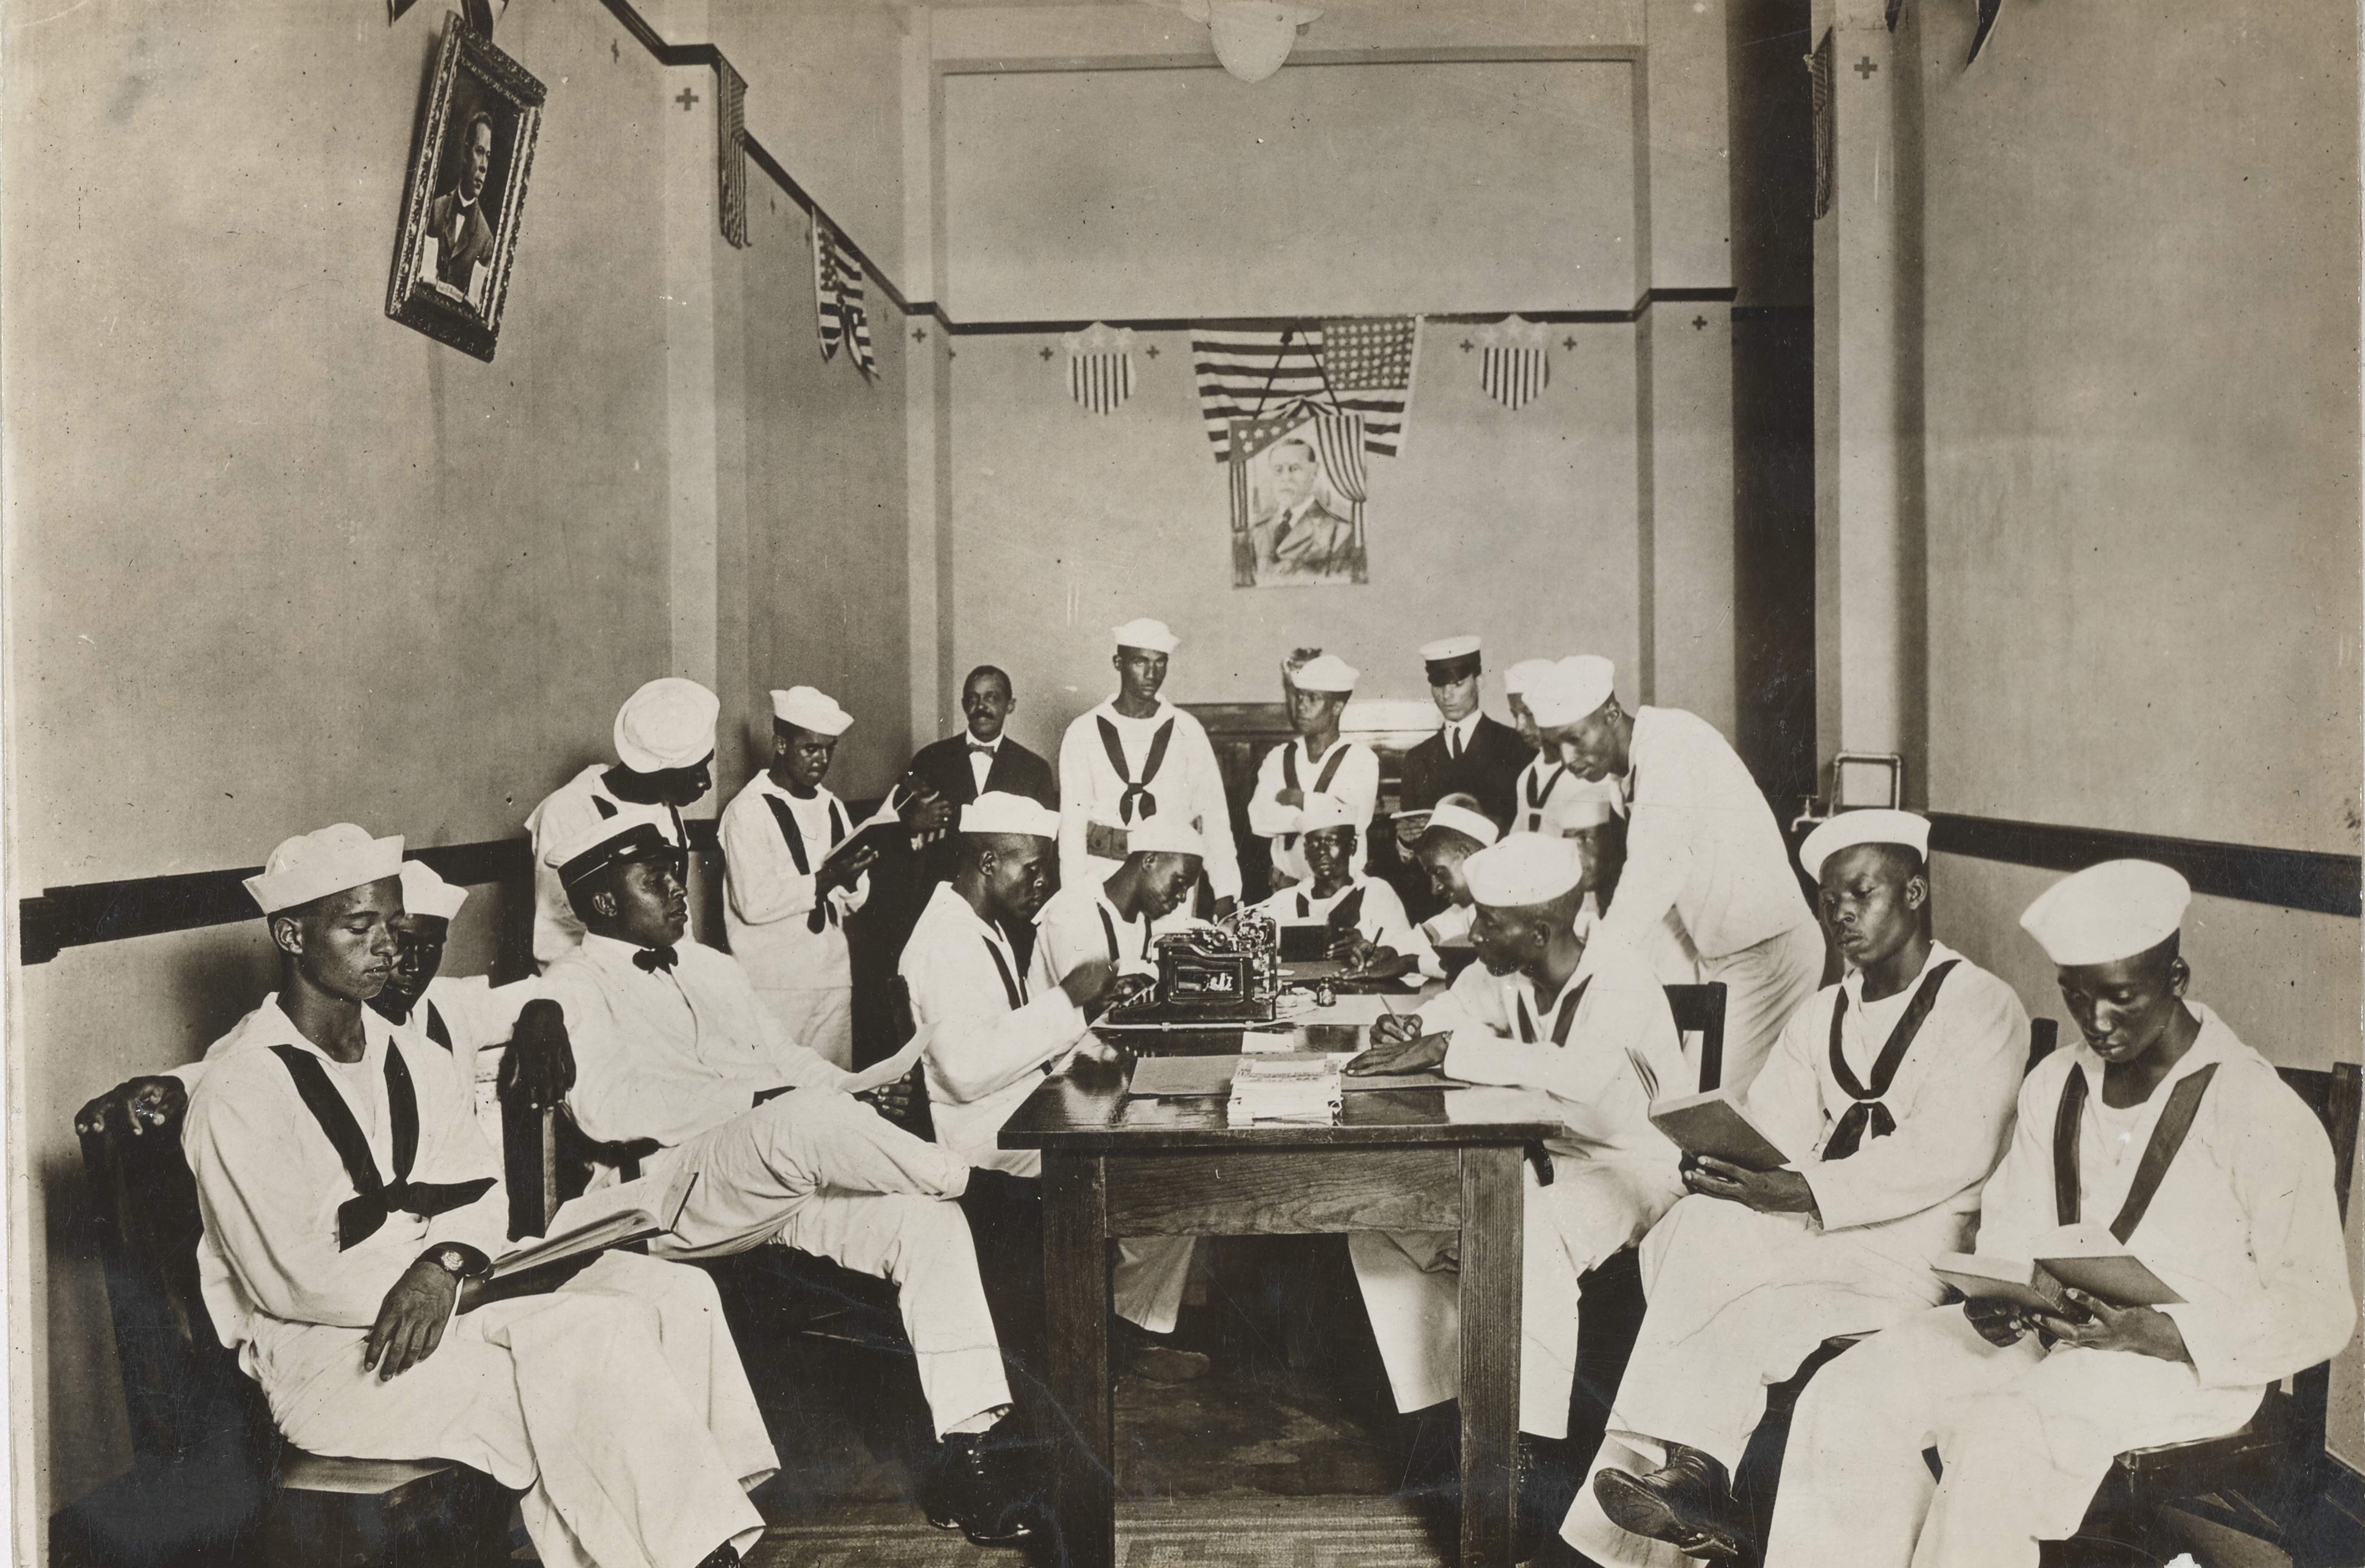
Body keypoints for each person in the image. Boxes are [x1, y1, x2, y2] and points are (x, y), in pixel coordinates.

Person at [181, 823, 775, 1568]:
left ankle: (701, 1535)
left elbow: (480, 1194)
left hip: (440, 1299)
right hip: (339, 1357)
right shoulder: (242, 1087)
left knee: (667, 1290)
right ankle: (698, 1551)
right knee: (587, 1344)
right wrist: (452, 1281)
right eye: (359, 926)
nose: (388, 947)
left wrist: (451, 1265)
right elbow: (293, 1275)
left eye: (393, 926)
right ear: (292, 933)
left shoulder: (411, 1057)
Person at [1762, 860, 2356, 1568]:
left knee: (2000, 1438)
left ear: (2177, 980)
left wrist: (2163, 1331)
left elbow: (2321, 1309)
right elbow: (2012, 1229)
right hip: (2057, 1334)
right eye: (2077, 998)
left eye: (2121, 999)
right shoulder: (2056, 1083)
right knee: (1850, 1394)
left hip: (2184, 1363)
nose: (2097, 1023)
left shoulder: (2257, 1107)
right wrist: (2001, 1297)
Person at [537, 804, 1050, 1546]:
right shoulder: (572, 985)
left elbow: (788, 1059)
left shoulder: (713, 966)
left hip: (779, 1178)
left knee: (924, 1223)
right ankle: (981, 1183)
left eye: (677, 872)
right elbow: (609, 1106)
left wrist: (856, 1086)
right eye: (658, 879)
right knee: (801, 1118)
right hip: (677, 1192)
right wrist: (759, 1101)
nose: (680, 889)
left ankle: (966, 1454)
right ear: (606, 902)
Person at [1569, 810, 2029, 1567]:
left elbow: (1947, 1153)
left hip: (1920, 1240)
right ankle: (1697, 1474)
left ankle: (1660, 1505)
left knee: (1751, 1303)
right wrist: (1723, 1160)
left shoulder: (1981, 1004)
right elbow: (1772, 1128)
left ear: (1914, 891)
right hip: (1821, 1227)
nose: (1841, 911)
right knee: (1692, 1232)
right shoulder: (1823, 1012)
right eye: (1828, 899)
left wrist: (1800, 1189)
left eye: (1862, 892)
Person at [1343, 834, 1690, 1547]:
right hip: (1545, 1159)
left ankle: (1525, 1457)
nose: (1473, 933)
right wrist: (1413, 1027)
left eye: (1487, 923)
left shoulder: (1622, 980)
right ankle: (1451, 1418)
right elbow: (1448, 1015)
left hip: (1635, 1168)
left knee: (1516, 1231)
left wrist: (1455, 1048)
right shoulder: (1508, 969)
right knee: (1378, 1212)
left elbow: (1583, 1084)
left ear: (1538, 931)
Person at [903, 795, 1205, 1382]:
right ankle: (1114, 1337)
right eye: (1032, 868)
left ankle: (1119, 1329)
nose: (1043, 882)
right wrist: (1070, 999)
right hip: (983, 1140)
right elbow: (966, 1072)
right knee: (1171, 1170)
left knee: (1167, 1140)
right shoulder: (943, 941)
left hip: (1015, 1112)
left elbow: (1004, 1040)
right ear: (989, 862)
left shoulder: (977, 925)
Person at [1529, 655, 1821, 1091]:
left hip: (1769, 955)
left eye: (1575, 738)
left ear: (1611, 713)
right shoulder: (1630, 771)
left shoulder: (1670, 746)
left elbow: (1654, 875)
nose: (1568, 759)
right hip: (1726, 956)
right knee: (1682, 1093)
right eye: (1555, 747)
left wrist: (1587, 969)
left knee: (1704, 1106)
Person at [718, 686, 878, 1069]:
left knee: (833, 1090)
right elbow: (754, 903)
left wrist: (853, 879)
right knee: (781, 1094)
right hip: (773, 986)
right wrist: (827, 878)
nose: (822, 761)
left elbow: (855, 900)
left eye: (829, 749)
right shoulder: (748, 810)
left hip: (832, 980)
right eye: (811, 749)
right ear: (781, 744)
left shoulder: (833, 806)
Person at [370, 859, 566, 1149]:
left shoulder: (451, 1002)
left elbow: (555, 989)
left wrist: (544, 1012)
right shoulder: (340, 1020)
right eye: (400, 945)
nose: (414, 966)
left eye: (430, 948)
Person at [523, 676, 717, 969]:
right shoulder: (568, 810)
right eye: (696, 771)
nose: (707, 782)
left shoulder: (665, 806)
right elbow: (556, 938)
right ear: (654, 771)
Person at [1057, 618, 1240, 925]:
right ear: (1119, 662)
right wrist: (1074, 897)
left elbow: (1214, 818)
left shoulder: (1186, 729)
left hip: (1170, 883)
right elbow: (1072, 826)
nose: (1152, 674)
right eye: (1140, 662)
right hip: (1102, 875)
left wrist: (1227, 893)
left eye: (1160, 663)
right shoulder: (1084, 731)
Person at [1246, 792, 1431, 980]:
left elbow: (1407, 961)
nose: (1322, 852)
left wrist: (1368, 948)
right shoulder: (1287, 900)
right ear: (1305, 852)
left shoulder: (1376, 893)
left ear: (1352, 847)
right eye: (1314, 843)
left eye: (1332, 841)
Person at [903, 665, 1058, 888]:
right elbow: (899, 832)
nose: (981, 707)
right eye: (973, 699)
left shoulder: (1035, 769)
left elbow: (1044, 846)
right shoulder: (929, 758)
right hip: (941, 889)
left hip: (1007, 893)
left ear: (1010, 706)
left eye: (992, 698)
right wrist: (914, 823)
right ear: (964, 705)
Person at [1246, 652, 1379, 894]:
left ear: (1337, 706)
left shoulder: (1361, 760)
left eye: (1313, 698)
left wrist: (1299, 800)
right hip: (1286, 890)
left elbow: (1355, 820)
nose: (1302, 706)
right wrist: (1321, 814)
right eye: (1299, 697)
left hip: (1343, 894)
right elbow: (1259, 818)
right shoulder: (1280, 757)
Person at [1395, 635, 1534, 831]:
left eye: (1458, 684)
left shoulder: (1517, 746)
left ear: (1479, 682)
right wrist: (1406, 841)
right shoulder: (1417, 759)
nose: (1447, 695)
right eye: (1439, 686)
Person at [1505, 656, 1621, 839]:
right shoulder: (1527, 777)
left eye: (1529, 714)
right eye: (1515, 715)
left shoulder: (1592, 774)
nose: (1520, 726)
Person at [1250, 438, 1359, 583]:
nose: (1286, 478)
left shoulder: (1340, 531)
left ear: (1314, 472)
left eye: (1295, 469)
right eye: (1278, 470)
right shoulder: (1258, 531)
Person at [1408, 796, 1499, 965]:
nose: (1435, 889)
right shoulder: (1468, 908)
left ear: (1467, 854)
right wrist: (1385, 951)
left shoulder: (1512, 903)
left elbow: (1483, 966)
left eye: (1439, 873)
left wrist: (1412, 964)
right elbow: (1425, 937)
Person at [425, 110, 498, 294]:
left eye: (489, 156)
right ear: (466, 152)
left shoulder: (486, 241)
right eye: (480, 152)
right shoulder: (435, 210)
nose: (484, 166)